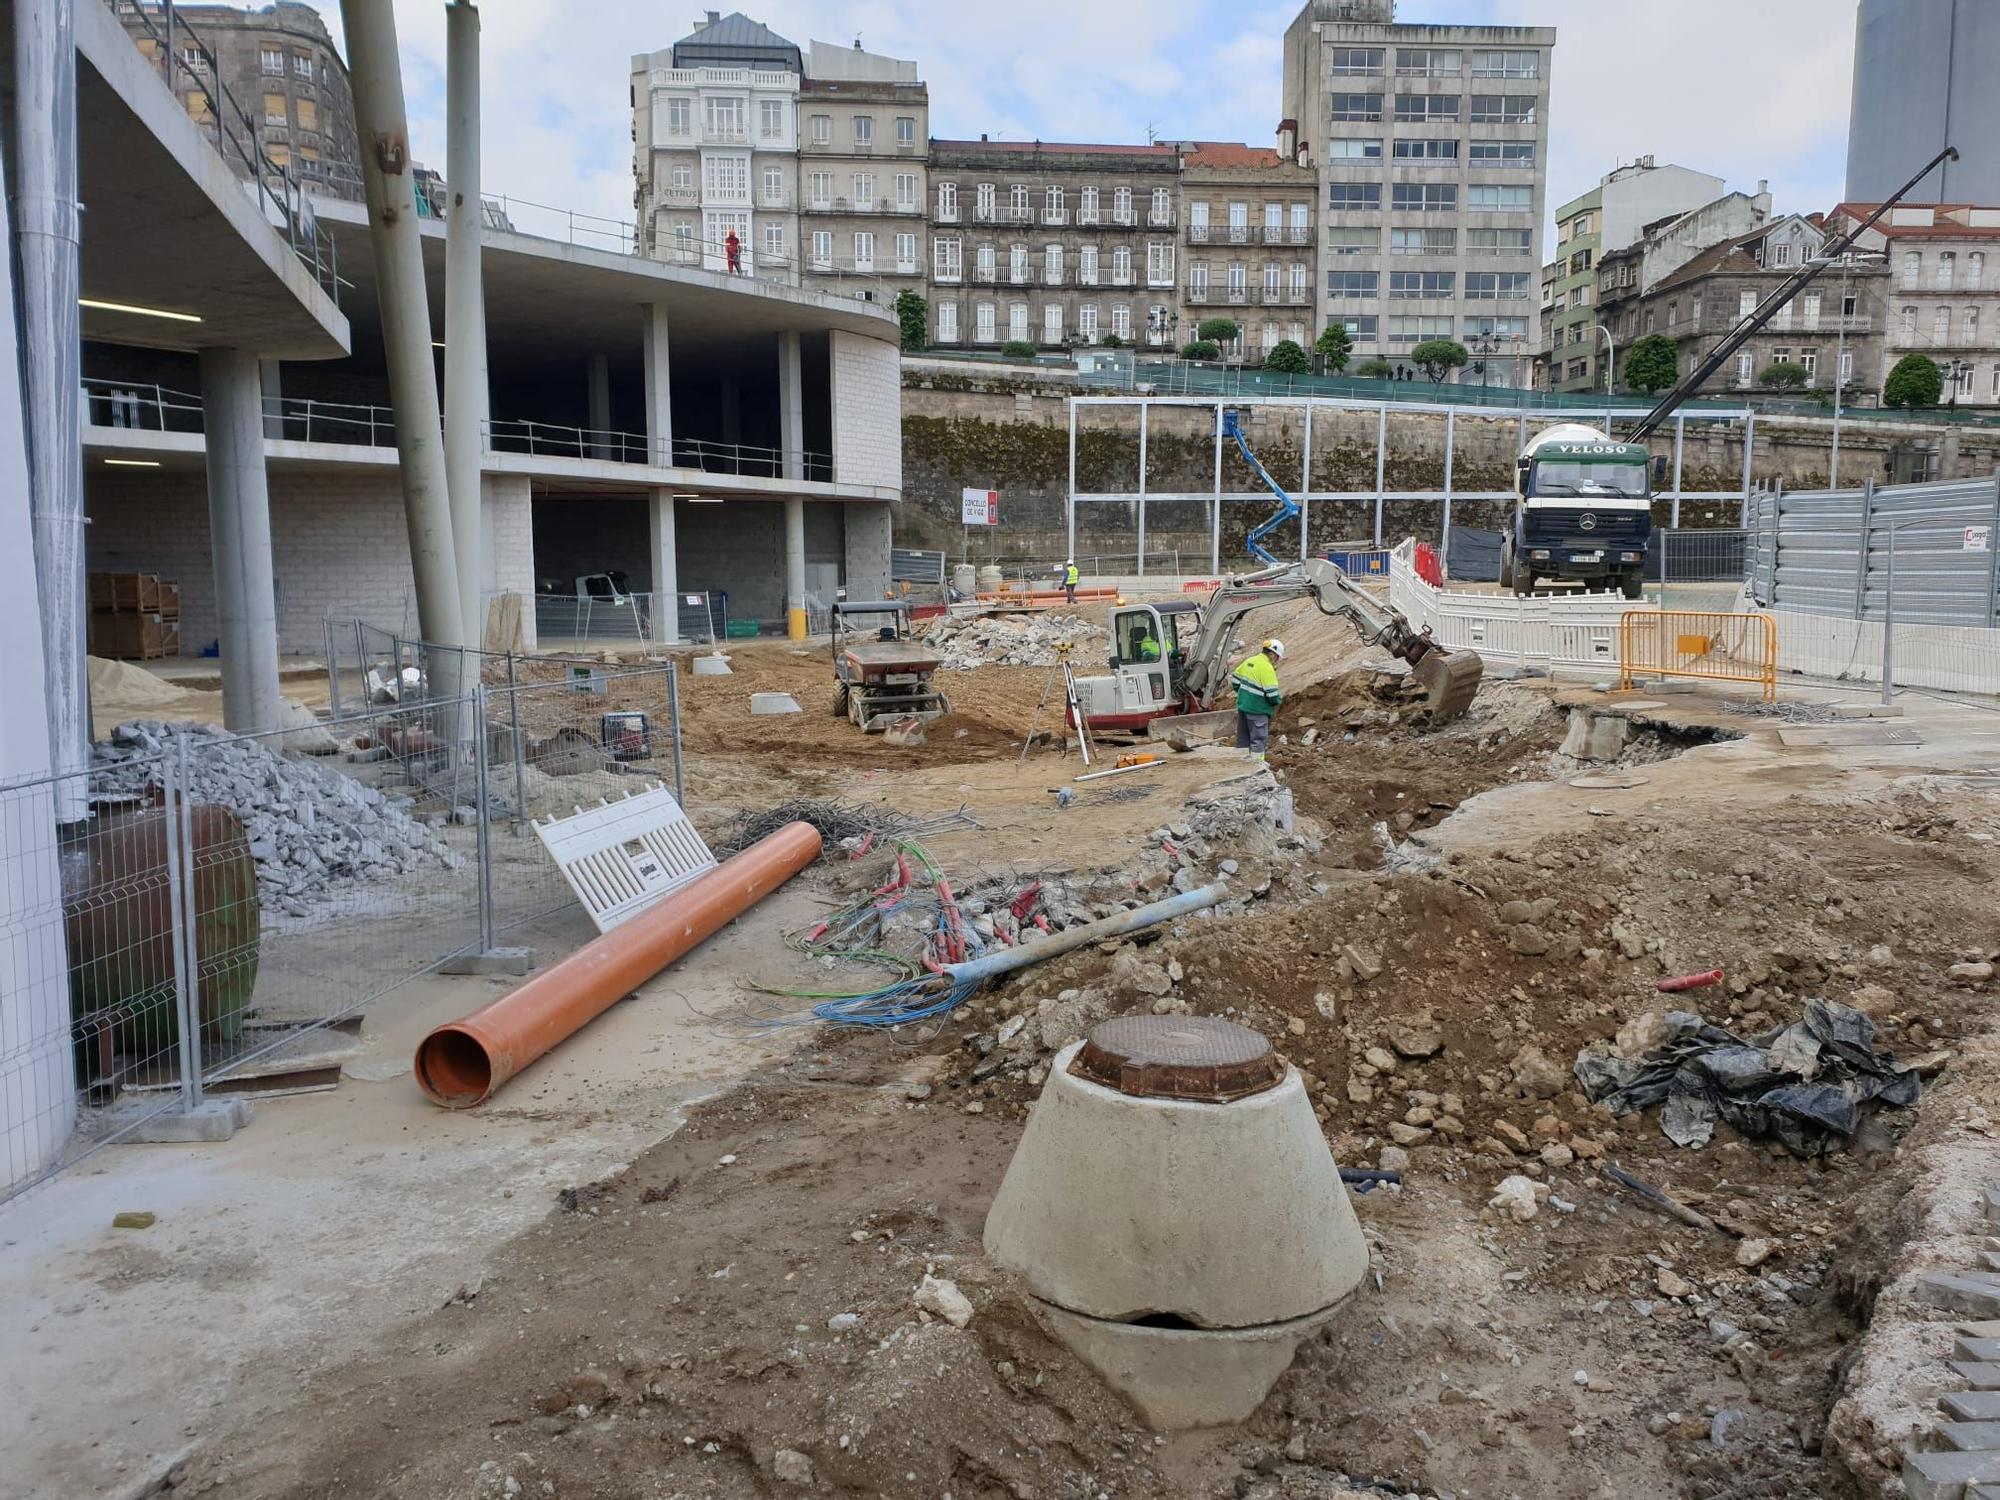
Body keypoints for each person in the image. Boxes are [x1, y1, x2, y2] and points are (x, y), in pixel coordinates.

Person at [1231, 638, 1284, 760]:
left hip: (1243, 707)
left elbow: (1234, 680)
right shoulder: (1267, 668)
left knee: (1243, 739)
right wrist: (1277, 702)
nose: (1277, 660)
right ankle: (1257, 766)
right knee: (1258, 740)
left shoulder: (1250, 661)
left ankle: (1241, 765)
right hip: (1258, 711)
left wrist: (1244, 695)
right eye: (1277, 657)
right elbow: (1272, 695)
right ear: (1272, 654)